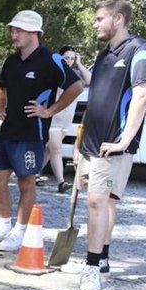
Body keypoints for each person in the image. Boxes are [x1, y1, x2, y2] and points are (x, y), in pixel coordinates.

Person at [0, 10, 82, 253]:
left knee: (26, 183)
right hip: (9, 131)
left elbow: (76, 86)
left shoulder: (51, 59)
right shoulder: (10, 61)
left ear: (35, 32)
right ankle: (3, 225)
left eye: (18, 30)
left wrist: (50, 110)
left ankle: (21, 231)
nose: (13, 34)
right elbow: (1, 86)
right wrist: (1, 106)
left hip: (32, 134)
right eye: (13, 29)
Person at [75, 0, 146, 290]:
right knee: (103, 201)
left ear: (117, 19)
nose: (95, 24)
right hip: (92, 142)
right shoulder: (104, 54)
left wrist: (124, 140)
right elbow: (96, 95)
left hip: (113, 144)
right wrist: (80, 141)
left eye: (99, 18)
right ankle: (103, 256)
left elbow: (143, 94)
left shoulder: (139, 49)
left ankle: (92, 266)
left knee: (97, 201)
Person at [40, 46, 92, 193]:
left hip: (66, 121)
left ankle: (33, 173)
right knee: (56, 150)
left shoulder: (75, 74)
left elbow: (89, 80)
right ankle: (61, 182)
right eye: (66, 58)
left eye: (71, 58)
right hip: (53, 120)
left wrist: (79, 63)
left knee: (49, 152)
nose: (68, 61)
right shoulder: (54, 72)